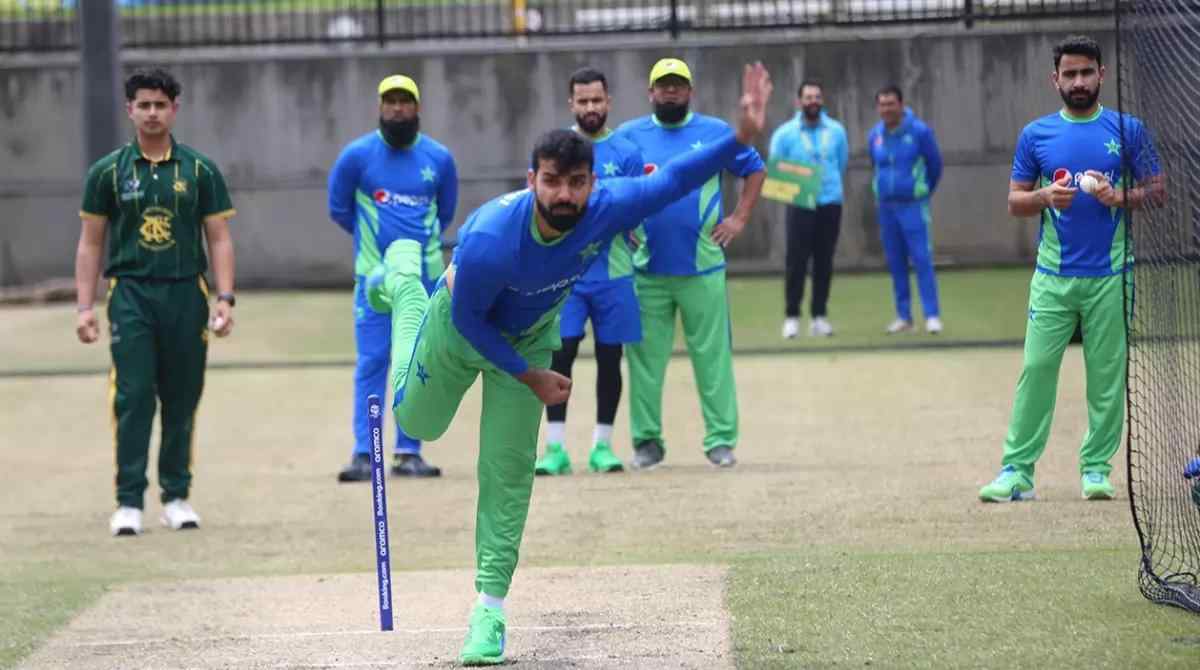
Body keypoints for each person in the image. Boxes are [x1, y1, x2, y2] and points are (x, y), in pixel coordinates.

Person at [364, 63, 772, 666]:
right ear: (532, 179)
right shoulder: (490, 237)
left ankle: (489, 612)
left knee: (508, 476)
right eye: (552, 181)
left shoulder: (606, 207)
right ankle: (402, 284)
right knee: (418, 424)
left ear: (591, 180)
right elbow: (476, 324)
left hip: (529, 339)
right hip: (459, 324)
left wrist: (740, 135)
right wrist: (531, 375)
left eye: (576, 182)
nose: (564, 196)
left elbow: (679, 176)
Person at [979, 35, 1164, 502]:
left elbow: (1158, 191)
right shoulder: (1036, 135)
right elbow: (1014, 202)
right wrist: (1044, 197)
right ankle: (1017, 472)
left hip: (1112, 276)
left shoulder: (1129, 129)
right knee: (1037, 369)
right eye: (1069, 74)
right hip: (1053, 278)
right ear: (1055, 79)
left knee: (1106, 374)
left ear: (1102, 74)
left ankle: (1096, 470)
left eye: (1086, 72)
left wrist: (1117, 196)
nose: (1078, 81)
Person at [75, 68, 236, 536]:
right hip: (131, 293)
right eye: (143, 105)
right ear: (130, 110)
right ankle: (129, 501)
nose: (151, 113)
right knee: (134, 394)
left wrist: (225, 297)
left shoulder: (199, 170)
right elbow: (89, 243)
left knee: (182, 397)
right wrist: (84, 307)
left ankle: (176, 496)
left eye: (159, 105)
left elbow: (219, 237)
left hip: (187, 291)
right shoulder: (107, 172)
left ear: (174, 110)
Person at [615, 57, 766, 470]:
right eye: (663, 85)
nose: (670, 91)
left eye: (678, 85)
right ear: (650, 93)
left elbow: (754, 169)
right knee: (644, 363)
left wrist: (740, 217)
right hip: (646, 270)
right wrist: (618, 225)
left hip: (703, 267)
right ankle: (647, 443)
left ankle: (720, 441)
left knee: (712, 357)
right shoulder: (629, 138)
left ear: (690, 91)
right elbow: (611, 185)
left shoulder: (715, 132)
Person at [328, 74, 458, 481]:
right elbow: (339, 209)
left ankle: (409, 451)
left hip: (423, 282)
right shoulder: (357, 157)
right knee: (373, 361)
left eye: (405, 101)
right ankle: (366, 453)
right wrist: (373, 249)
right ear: (380, 107)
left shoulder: (439, 159)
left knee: (418, 363)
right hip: (374, 282)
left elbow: (446, 212)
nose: (398, 108)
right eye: (390, 101)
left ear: (418, 108)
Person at [533, 67, 643, 476]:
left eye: (597, 100)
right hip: (566, 278)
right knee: (560, 356)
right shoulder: (556, 149)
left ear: (609, 102)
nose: (591, 107)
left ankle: (603, 446)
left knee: (611, 358)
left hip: (615, 274)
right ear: (571, 104)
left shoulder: (628, 153)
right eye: (583, 101)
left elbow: (638, 205)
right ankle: (555, 449)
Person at [768, 80, 849, 338]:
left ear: (822, 100)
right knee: (796, 260)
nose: (813, 101)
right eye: (808, 97)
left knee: (824, 260)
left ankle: (819, 316)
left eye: (817, 96)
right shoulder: (785, 133)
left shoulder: (836, 131)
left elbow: (842, 162)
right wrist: (798, 185)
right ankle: (792, 316)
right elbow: (775, 167)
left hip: (830, 200)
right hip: (800, 202)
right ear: (799, 101)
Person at [867, 85, 944, 335]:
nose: (887, 109)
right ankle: (904, 317)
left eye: (891, 103)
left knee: (922, 258)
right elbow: (875, 165)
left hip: (913, 206)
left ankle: (932, 315)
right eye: (882, 104)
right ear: (878, 107)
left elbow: (935, 165)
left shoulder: (919, 131)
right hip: (886, 208)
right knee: (896, 262)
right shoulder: (875, 135)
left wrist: (921, 191)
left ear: (901, 105)